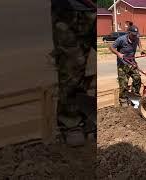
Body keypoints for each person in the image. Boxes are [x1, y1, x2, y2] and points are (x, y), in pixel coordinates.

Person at [50, 0, 96, 146]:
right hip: (71, 9)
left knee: (99, 67)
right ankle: (71, 122)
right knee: (72, 69)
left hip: (95, 11)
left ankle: (91, 115)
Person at [109, 25, 144, 107]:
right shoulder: (121, 39)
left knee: (137, 78)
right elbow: (111, 47)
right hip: (122, 64)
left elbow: (139, 40)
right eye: (133, 34)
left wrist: (141, 49)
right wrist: (118, 53)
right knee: (123, 83)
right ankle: (123, 100)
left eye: (136, 34)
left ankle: (134, 98)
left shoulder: (136, 37)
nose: (135, 36)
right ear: (128, 33)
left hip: (132, 62)